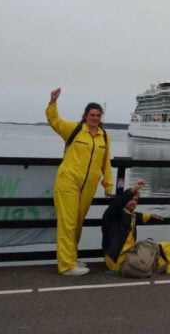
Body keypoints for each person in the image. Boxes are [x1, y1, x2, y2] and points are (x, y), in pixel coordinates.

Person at [46, 87, 113, 276]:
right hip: (68, 181)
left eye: (98, 115)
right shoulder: (74, 129)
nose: (95, 118)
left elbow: (105, 163)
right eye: (92, 115)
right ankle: (66, 265)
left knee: (77, 222)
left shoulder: (104, 136)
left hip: (88, 186)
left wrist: (108, 184)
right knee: (67, 223)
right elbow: (54, 121)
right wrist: (53, 102)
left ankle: (71, 257)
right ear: (85, 116)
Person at [101, 179, 170, 274]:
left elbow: (138, 216)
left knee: (163, 250)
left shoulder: (131, 215)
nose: (133, 202)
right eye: (131, 199)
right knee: (159, 258)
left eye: (136, 200)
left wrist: (150, 216)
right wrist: (134, 190)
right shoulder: (113, 214)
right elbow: (118, 203)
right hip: (117, 260)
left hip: (130, 254)